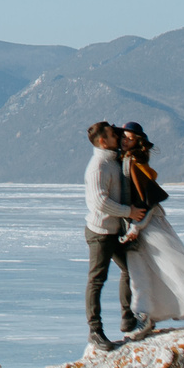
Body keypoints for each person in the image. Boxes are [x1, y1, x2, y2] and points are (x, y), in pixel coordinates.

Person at [114, 121, 184, 337]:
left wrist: (137, 227)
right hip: (133, 228)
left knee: (174, 271)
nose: (125, 141)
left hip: (147, 227)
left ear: (137, 142)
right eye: (123, 137)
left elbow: (148, 201)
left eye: (130, 138)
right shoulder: (126, 162)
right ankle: (144, 318)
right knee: (139, 277)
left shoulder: (134, 164)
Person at [81, 121, 137, 352]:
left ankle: (129, 317)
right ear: (103, 141)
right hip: (100, 232)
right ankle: (95, 330)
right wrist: (129, 212)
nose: (118, 138)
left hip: (115, 231)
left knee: (131, 269)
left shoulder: (113, 161)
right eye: (114, 135)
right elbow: (100, 202)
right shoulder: (98, 167)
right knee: (97, 279)